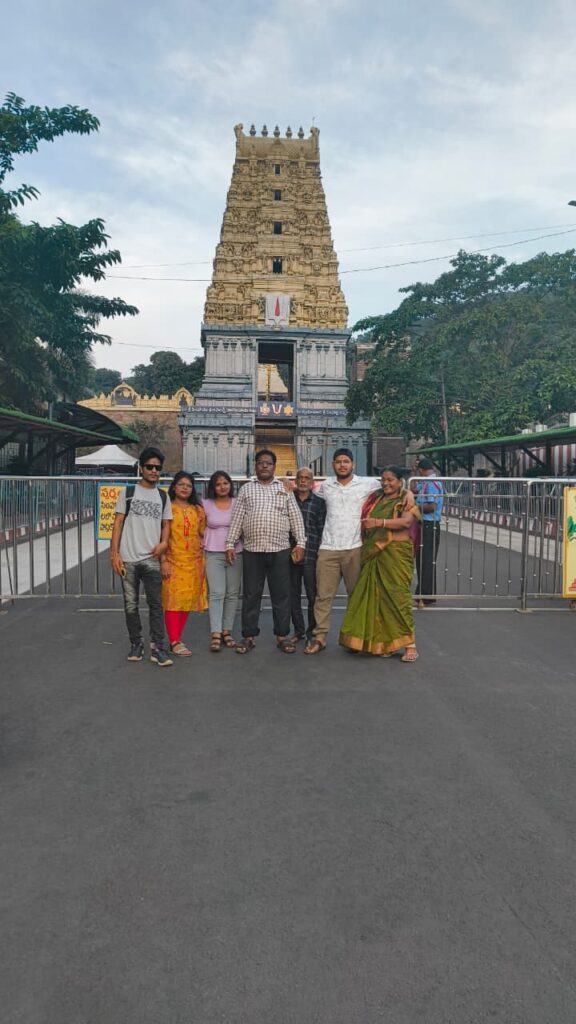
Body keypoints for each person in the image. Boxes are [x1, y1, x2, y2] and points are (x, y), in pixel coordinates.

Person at [225, 449, 306, 654]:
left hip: (280, 549)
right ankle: (248, 637)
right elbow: (237, 518)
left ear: (274, 466)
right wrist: (230, 544)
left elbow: (295, 516)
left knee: (281, 594)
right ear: (256, 465)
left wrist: (300, 543)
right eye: (260, 463)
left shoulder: (285, 489)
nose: (264, 466)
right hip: (253, 550)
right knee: (251, 594)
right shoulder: (246, 490)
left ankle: (282, 636)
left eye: (268, 463)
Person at [339, 466, 421, 661]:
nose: (386, 483)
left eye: (391, 480)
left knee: (397, 597)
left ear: (400, 481)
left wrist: (378, 523)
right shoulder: (375, 497)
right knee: (376, 600)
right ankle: (385, 643)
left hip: (395, 554)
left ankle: (411, 646)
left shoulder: (405, 499)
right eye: (383, 479)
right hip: (374, 553)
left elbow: (406, 523)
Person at [305, 448, 380, 655]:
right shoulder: (326, 486)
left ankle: (353, 638)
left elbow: (392, 486)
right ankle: (319, 637)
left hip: (354, 548)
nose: (342, 465)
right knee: (323, 597)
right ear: (333, 465)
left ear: (353, 464)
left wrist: (408, 492)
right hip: (328, 549)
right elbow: (303, 490)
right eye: (338, 462)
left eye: (346, 461)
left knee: (355, 596)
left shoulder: (368, 484)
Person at [110, 446, 174, 667]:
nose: (154, 471)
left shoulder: (163, 497)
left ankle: (158, 647)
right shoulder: (127, 493)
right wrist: (114, 554)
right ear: (141, 468)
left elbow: (166, 525)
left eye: (157, 468)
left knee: (156, 605)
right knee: (131, 604)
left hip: (152, 559)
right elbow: (117, 524)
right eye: (150, 467)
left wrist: (164, 545)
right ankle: (136, 643)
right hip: (128, 558)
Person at [160, 471, 207, 656]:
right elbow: (161, 536)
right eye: (181, 484)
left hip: (194, 562)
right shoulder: (167, 508)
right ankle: (174, 641)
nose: (185, 488)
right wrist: (163, 560)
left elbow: (202, 533)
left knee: (186, 601)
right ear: (174, 487)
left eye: (188, 485)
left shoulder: (198, 510)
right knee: (172, 600)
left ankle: (176, 638)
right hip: (172, 560)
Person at [202, 471, 242, 652]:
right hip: (213, 553)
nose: (222, 487)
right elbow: (198, 526)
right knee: (217, 593)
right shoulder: (205, 504)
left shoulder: (237, 503)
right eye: (218, 484)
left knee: (232, 594)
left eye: (225, 483)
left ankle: (227, 631)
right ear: (213, 487)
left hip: (236, 552)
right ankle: (215, 632)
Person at [289, 467, 326, 644]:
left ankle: (312, 631)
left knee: (313, 596)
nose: (303, 481)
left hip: (312, 555)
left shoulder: (319, 503)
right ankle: (298, 631)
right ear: (295, 481)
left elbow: (321, 530)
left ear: (312, 482)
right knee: (292, 594)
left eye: (307, 478)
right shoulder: (288, 499)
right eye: (300, 478)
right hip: (290, 555)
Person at [413, 456, 444, 607]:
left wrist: (415, 508)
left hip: (429, 524)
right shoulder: (427, 482)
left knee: (425, 561)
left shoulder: (430, 484)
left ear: (422, 470)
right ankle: (426, 594)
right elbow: (413, 489)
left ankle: (424, 595)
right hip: (427, 525)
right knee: (425, 561)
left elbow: (431, 506)